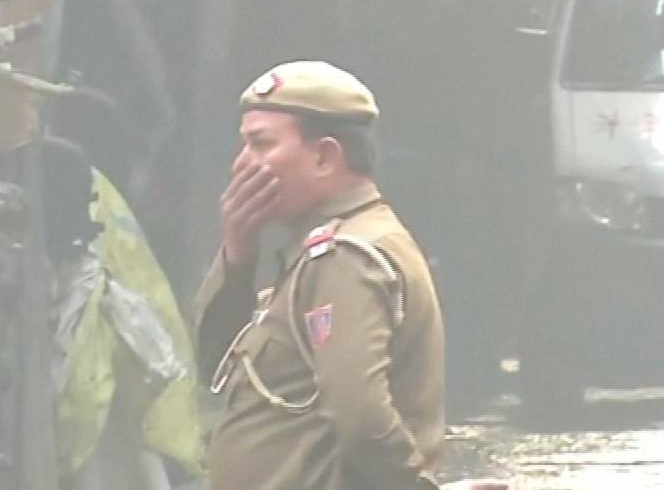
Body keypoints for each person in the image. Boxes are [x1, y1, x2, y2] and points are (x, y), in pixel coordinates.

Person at [192, 60, 504, 490]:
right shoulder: (313, 255)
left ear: (324, 156)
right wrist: (239, 252)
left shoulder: (347, 256)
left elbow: (360, 415)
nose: (243, 164)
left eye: (261, 144)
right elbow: (213, 367)